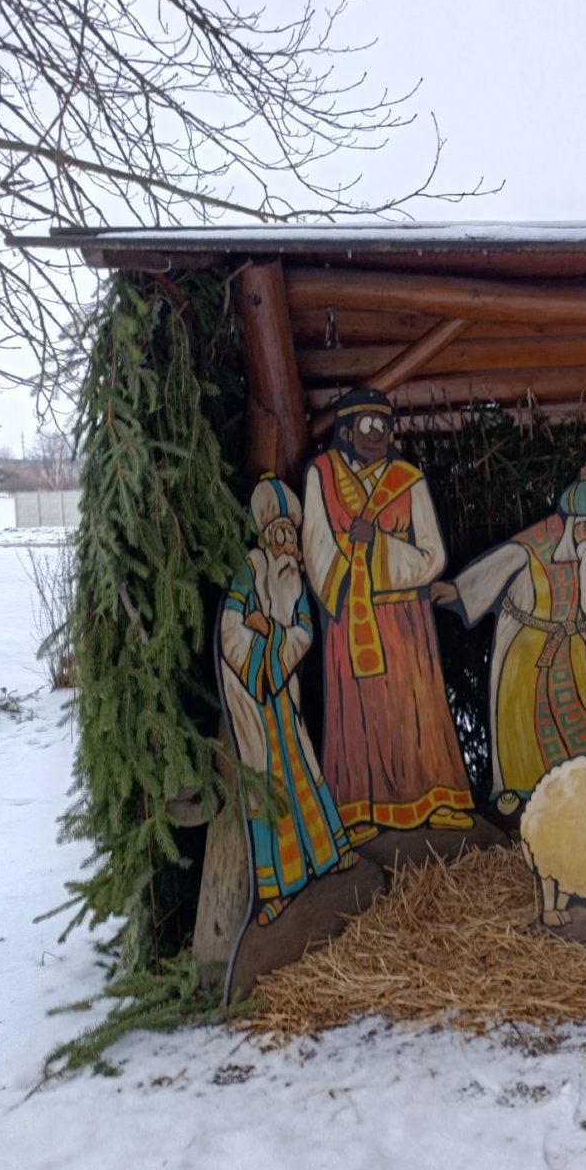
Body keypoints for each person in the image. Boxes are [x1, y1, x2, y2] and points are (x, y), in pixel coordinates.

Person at [301, 389, 474, 838]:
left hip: (405, 618)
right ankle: (358, 810)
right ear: (345, 431)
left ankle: (437, 799)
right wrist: (347, 589)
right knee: (357, 713)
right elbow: (317, 543)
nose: (376, 433)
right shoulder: (322, 475)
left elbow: (433, 556)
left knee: (416, 706)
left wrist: (378, 546)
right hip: (351, 614)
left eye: (383, 425)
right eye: (366, 424)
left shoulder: (407, 480)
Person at [432, 464, 586, 809]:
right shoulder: (536, 544)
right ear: (575, 523)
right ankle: (517, 789)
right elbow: (502, 562)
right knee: (521, 720)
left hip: (572, 653)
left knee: (584, 713)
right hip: (527, 650)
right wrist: (459, 590)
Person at [218, 476, 355, 926]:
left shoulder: (294, 582)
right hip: (255, 699)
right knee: (267, 787)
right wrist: (264, 655)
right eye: (279, 534)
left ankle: (329, 855)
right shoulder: (251, 571)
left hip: (282, 697)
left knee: (302, 773)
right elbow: (232, 630)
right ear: (264, 538)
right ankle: (277, 887)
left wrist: (271, 633)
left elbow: (305, 633)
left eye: (291, 535)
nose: (288, 544)